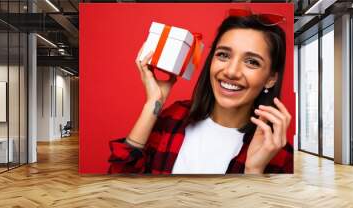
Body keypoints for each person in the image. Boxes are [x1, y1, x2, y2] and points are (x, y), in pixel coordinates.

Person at [108, 12, 293, 174]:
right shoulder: (175, 117)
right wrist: (153, 103)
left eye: (252, 62)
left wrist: (253, 171)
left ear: (271, 78)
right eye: (223, 55)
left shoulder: (278, 152)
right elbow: (119, 187)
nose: (231, 71)